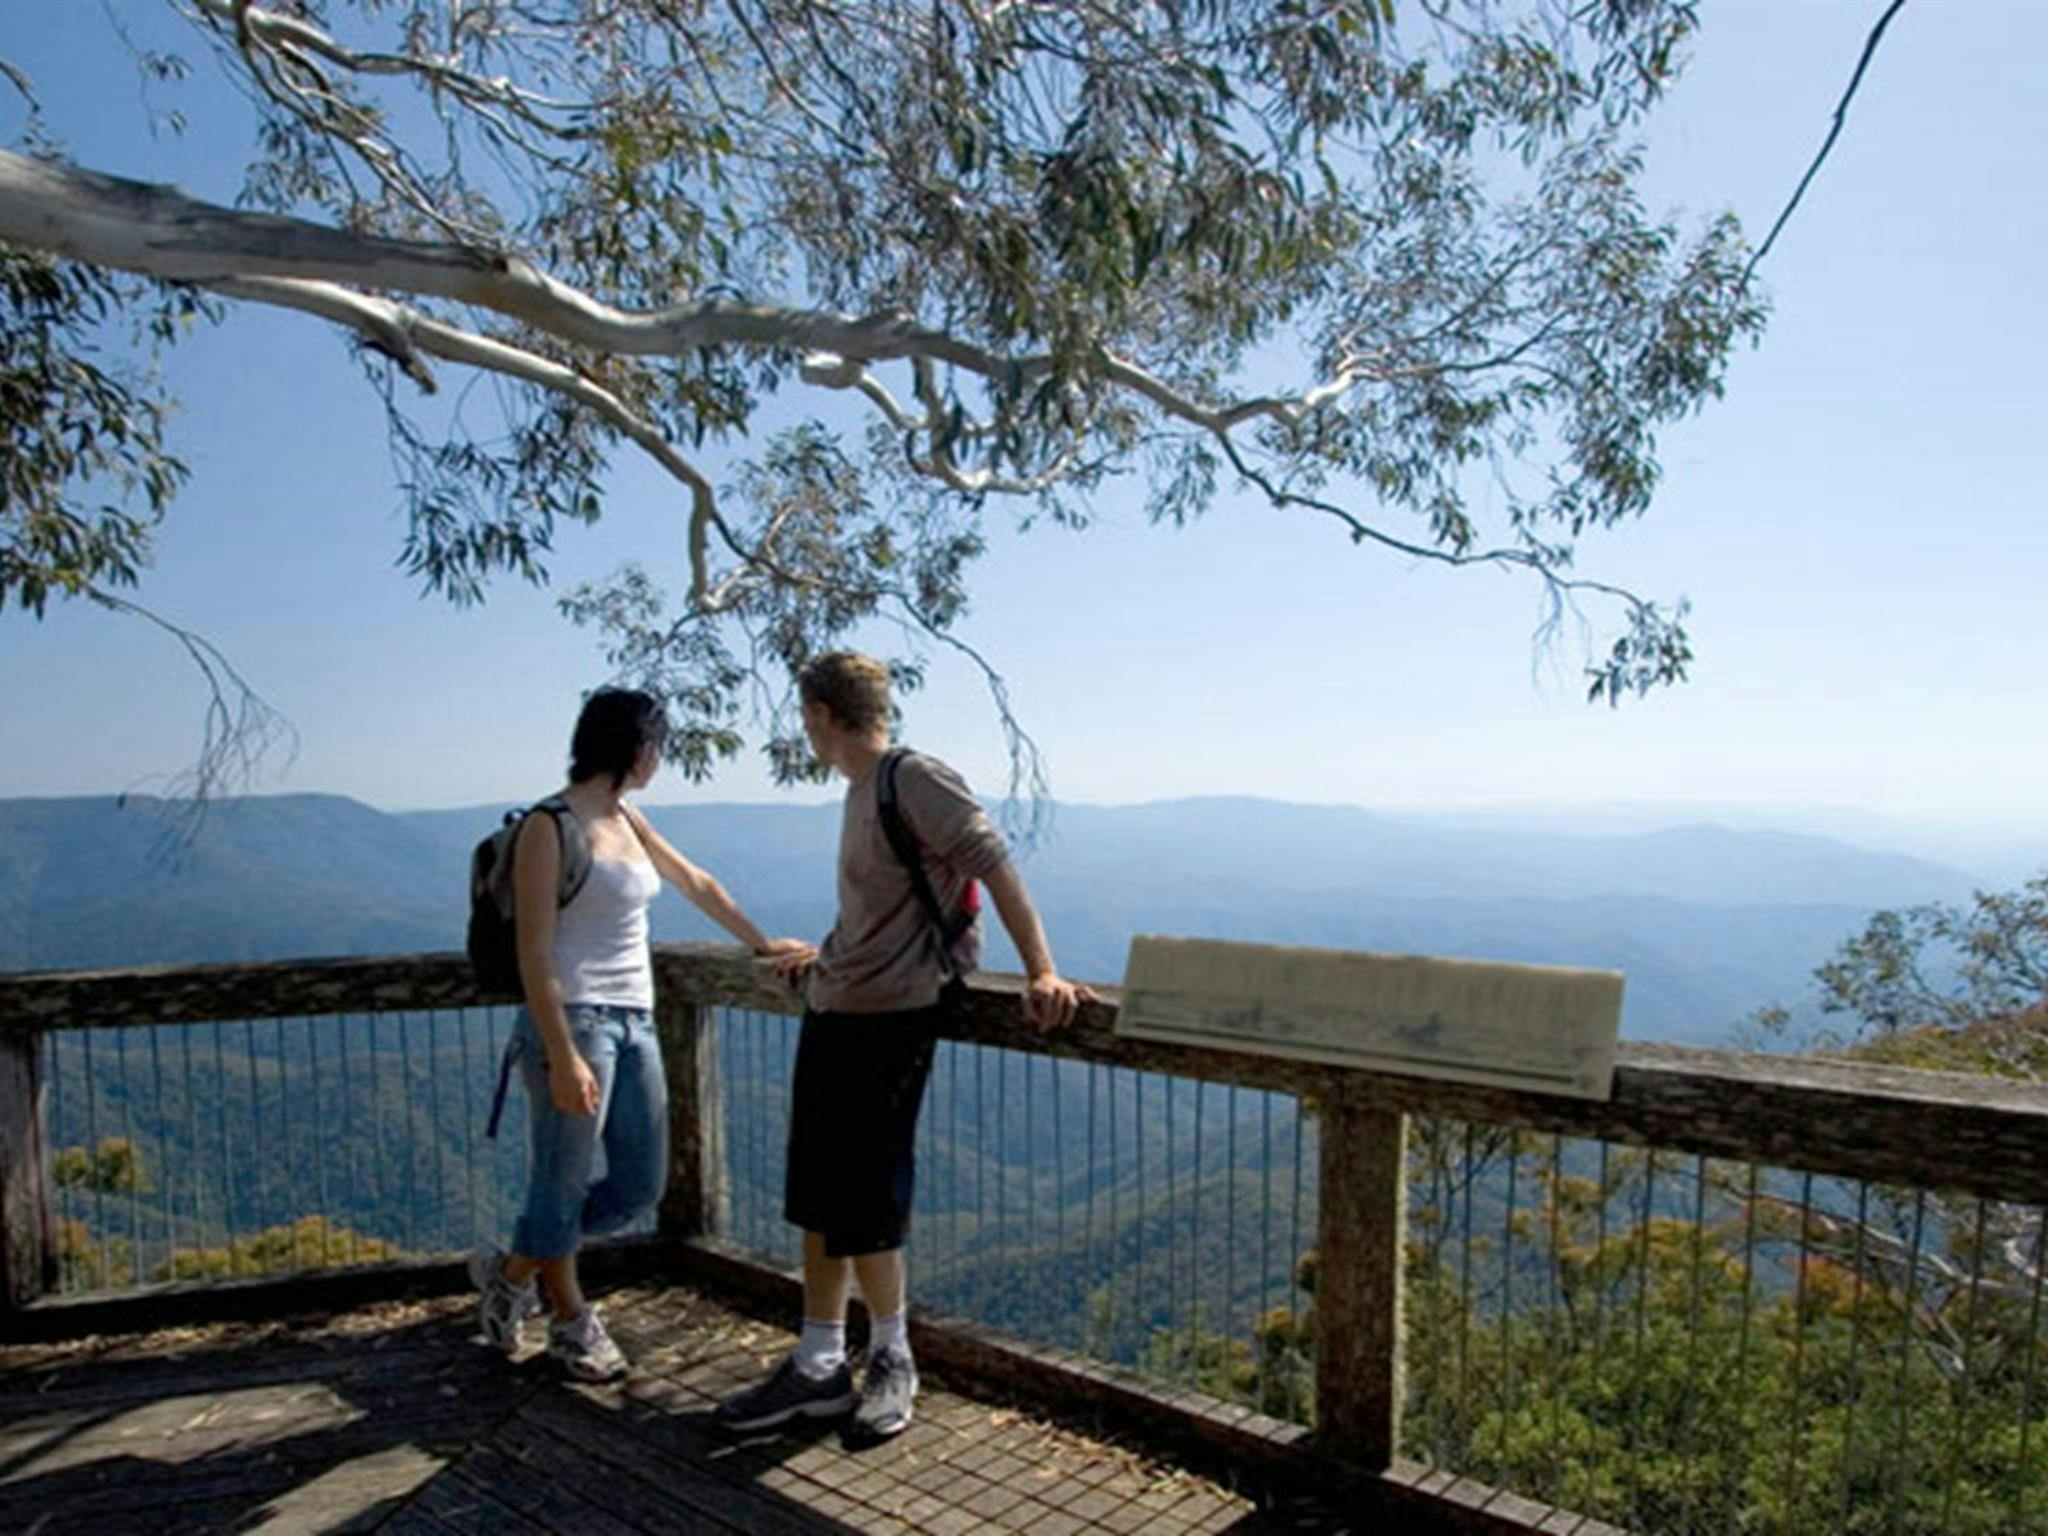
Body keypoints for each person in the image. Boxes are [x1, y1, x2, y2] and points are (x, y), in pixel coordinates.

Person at [718, 651, 1094, 1440]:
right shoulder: (862, 791)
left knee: (868, 1200)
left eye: (804, 714)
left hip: (894, 1018)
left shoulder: (912, 778)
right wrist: (828, 959)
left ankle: (893, 1358)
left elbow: (995, 867)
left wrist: (1043, 970)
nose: (803, 727)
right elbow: (883, 907)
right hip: (836, 1006)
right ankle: (818, 1368)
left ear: (820, 712)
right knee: (821, 1196)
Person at [469, 688, 814, 1380]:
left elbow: (693, 880)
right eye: (658, 744)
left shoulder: (627, 816)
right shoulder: (549, 826)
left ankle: (513, 1271)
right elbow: (535, 952)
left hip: (636, 1020)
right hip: (572, 1024)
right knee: (561, 1182)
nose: (661, 757)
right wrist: (563, 1056)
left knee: (636, 1183)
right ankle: (570, 1321)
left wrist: (761, 944)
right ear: (634, 746)